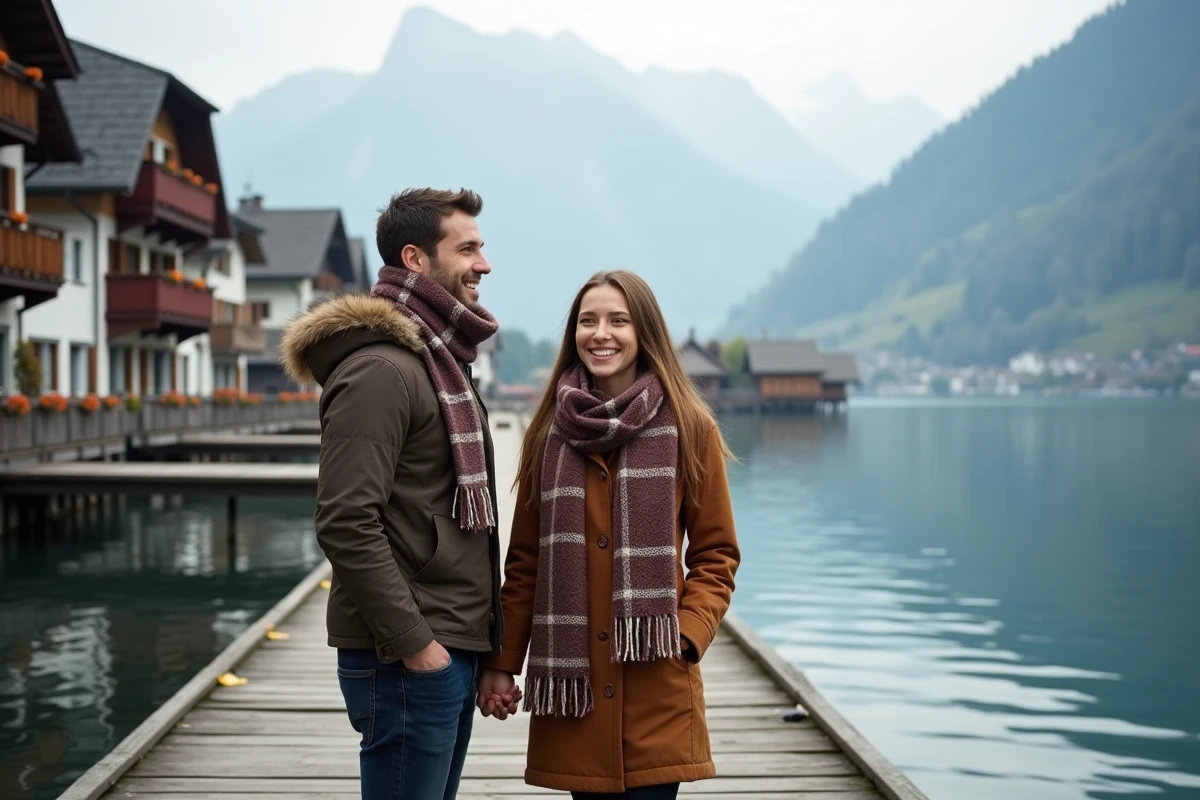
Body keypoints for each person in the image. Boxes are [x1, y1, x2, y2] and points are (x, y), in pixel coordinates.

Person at [279, 187, 510, 800]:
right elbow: (345, 521)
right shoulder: (382, 370)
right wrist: (416, 647)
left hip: (446, 644)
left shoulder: (436, 361)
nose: (484, 264)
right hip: (407, 654)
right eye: (467, 249)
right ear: (415, 258)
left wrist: (484, 649)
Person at [476, 270, 741, 799]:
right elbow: (525, 563)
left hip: (656, 688)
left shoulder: (691, 428)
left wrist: (686, 635)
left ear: (644, 332)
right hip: (575, 698)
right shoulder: (547, 435)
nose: (601, 333)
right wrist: (502, 665)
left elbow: (716, 555)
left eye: (618, 320)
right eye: (588, 321)